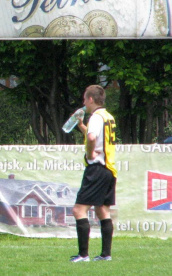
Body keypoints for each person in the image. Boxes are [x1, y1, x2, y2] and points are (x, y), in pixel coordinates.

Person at [70, 85, 117, 263]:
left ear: (91, 99)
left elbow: (91, 139)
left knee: (78, 210)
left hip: (96, 168)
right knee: (103, 210)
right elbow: (95, 137)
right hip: (109, 169)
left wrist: (90, 155)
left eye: (84, 98)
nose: (83, 102)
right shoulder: (108, 117)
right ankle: (106, 254)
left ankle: (83, 255)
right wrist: (82, 126)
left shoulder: (96, 117)